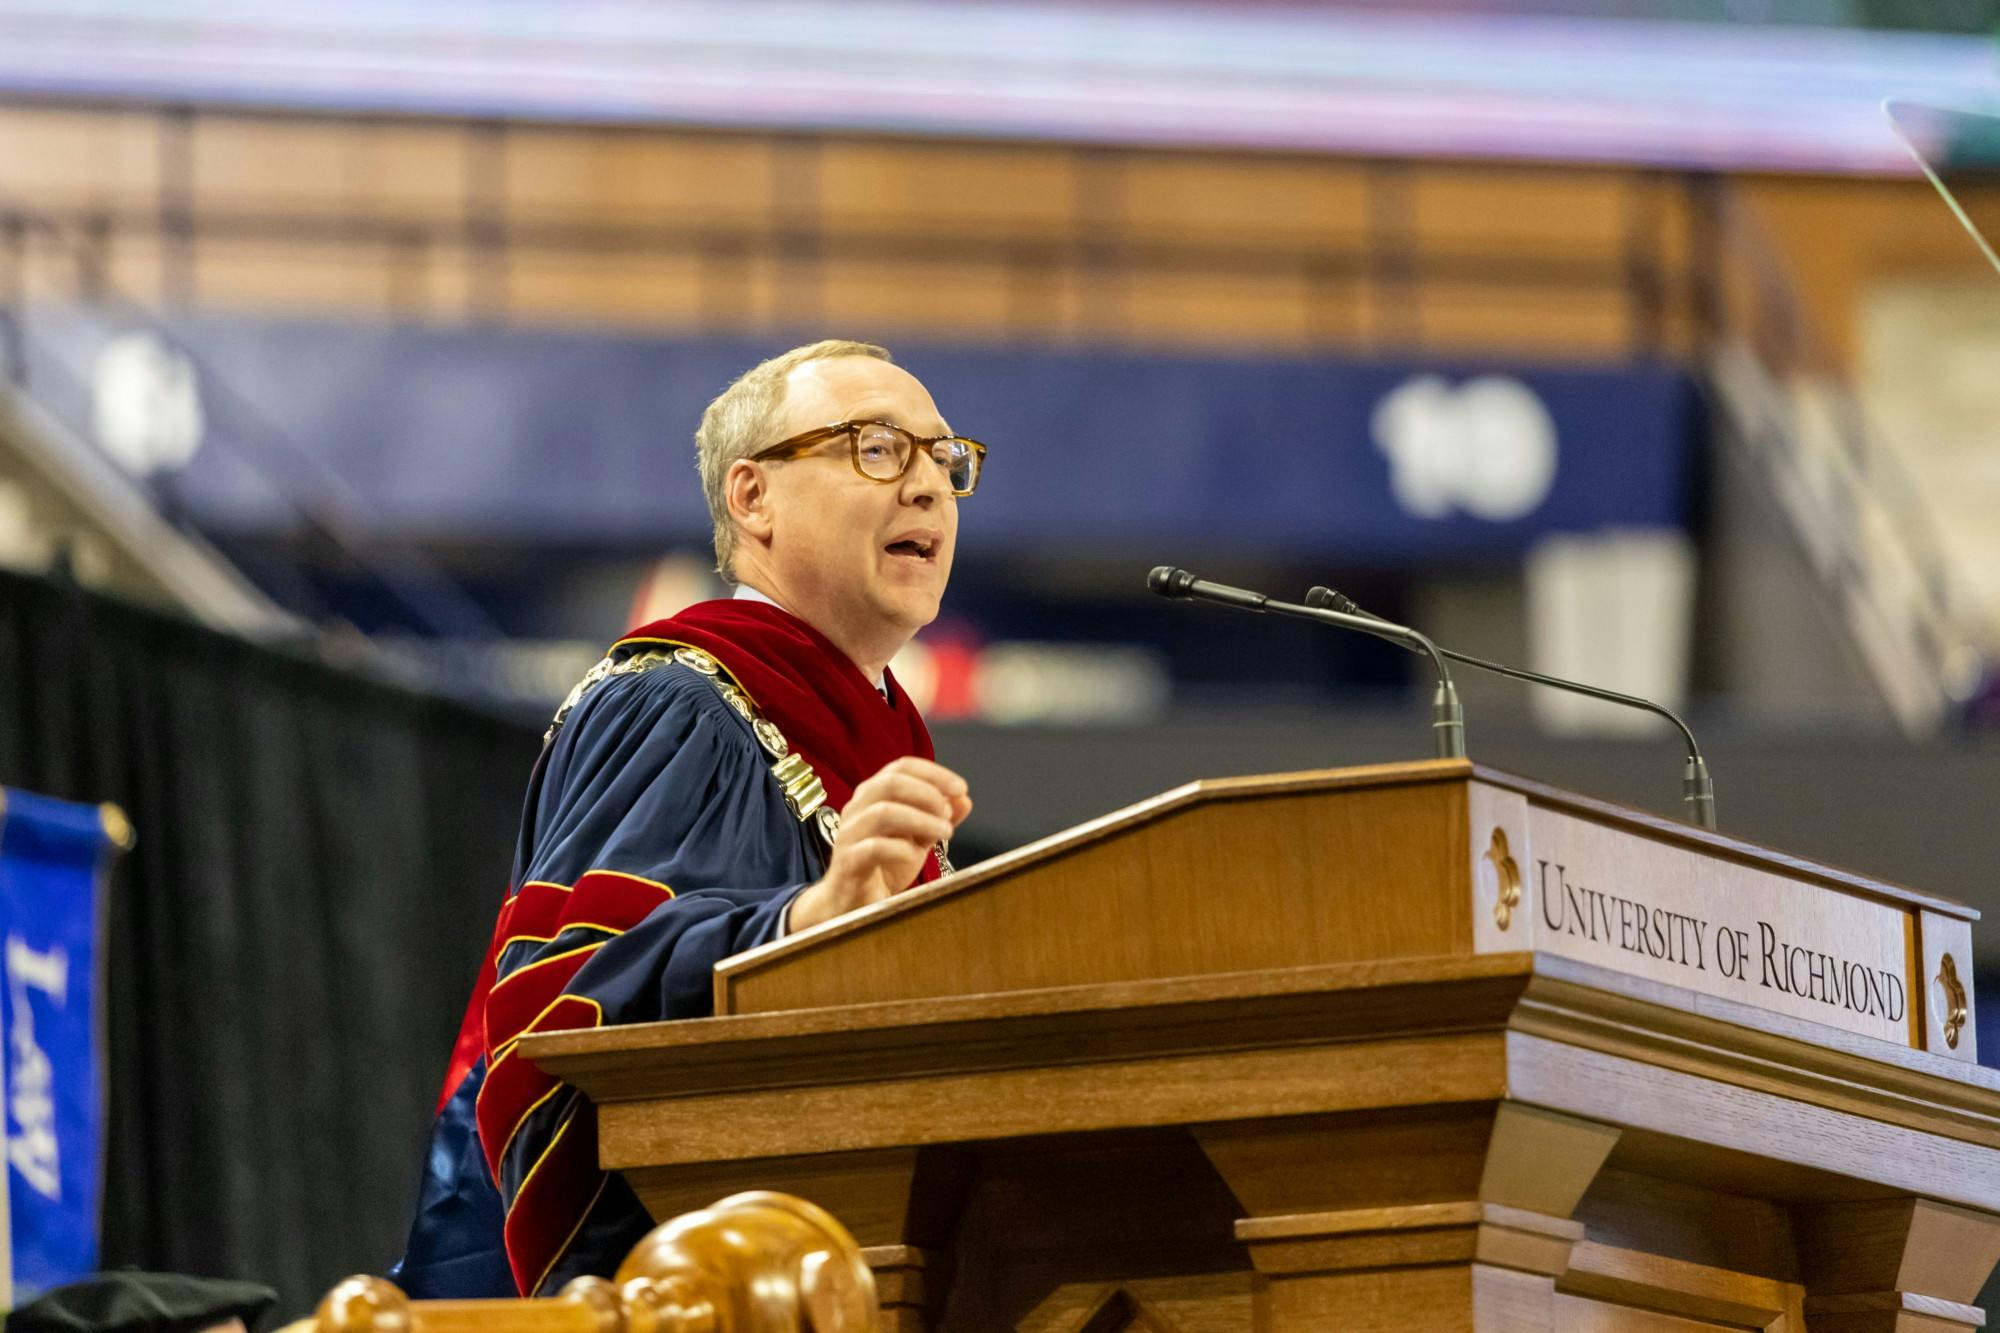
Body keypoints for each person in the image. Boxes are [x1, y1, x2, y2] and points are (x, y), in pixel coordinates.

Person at [393, 340, 982, 1298]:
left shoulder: (878, 743)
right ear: (752, 497)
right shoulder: (675, 702)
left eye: (945, 458)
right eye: (877, 448)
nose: (927, 488)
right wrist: (800, 927)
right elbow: (572, 996)